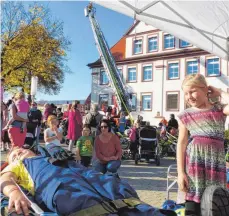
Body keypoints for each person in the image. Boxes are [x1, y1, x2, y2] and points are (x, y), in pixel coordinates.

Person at [0, 147, 177, 216]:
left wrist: (70, 155)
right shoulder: (19, 165)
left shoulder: (51, 154)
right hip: (65, 188)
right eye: (13, 155)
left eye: (20, 150)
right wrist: (14, 193)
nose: (18, 153)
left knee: (124, 196)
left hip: (93, 180)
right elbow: (5, 179)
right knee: (85, 204)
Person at [177, 74, 229, 216]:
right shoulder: (185, 115)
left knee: (216, 203)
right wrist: (181, 173)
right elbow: (181, 144)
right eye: (186, 93)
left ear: (206, 89)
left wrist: (220, 92)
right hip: (195, 166)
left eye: (193, 91)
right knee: (193, 206)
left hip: (215, 165)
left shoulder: (219, 109)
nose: (189, 96)